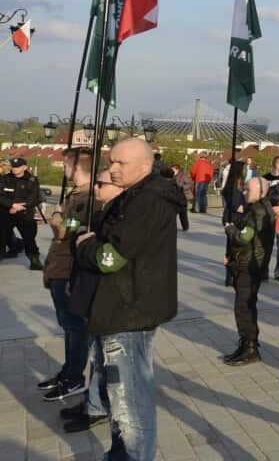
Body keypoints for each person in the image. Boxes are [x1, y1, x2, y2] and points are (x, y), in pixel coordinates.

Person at [73, 138, 183, 459]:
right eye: (111, 162)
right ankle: (120, 454)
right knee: (119, 398)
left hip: (129, 311)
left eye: (121, 163)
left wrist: (85, 246)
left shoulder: (147, 202)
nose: (113, 169)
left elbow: (110, 258)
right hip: (122, 307)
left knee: (130, 401)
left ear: (145, 166)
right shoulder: (134, 196)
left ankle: (135, 455)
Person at [62, 170, 124, 433]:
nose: (96, 188)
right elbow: (71, 238)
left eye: (102, 184)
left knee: (106, 359)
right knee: (96, 354)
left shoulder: (120, 215)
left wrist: (87, 242)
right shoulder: (100, 212)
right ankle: (93, 402)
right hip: (90, 290)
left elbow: (107, 257)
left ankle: (99, 407)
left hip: (107, 296)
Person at [38, 150, 93, 402]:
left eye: (66, 165)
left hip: (70, 269)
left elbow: (64, 230)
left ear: (76, 168)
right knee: (68, 325)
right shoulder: (76, 194)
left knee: (75, 326)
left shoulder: (88, 198)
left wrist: (57, 215)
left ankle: (74, 378)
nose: (63, 169)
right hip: (59, 266)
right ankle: (68, 371)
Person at [221, 176, 274, 366]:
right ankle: (246, 344)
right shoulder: (255, 209)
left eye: (248, 190)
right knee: (244, 305)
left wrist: (230, 229)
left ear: (261, 192)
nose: (244, 193)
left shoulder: (258, 211)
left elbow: (244, 238)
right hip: (245, 262)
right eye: (244, 189)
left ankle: (250, 347)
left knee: (244, 307)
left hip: (250, 267)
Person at [0, 157, 44, 269]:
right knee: (2, 236)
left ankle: (34, 260)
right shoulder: (5, 179)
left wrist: (18, 207)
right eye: (13, 167)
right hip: (7, 213)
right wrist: (11, 205)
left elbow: (34, 198)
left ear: (25, 167)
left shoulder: (32, 180)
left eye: (18, 167)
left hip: (24, 214)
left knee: (29, 238)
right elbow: (1, 196)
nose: (14, 169)